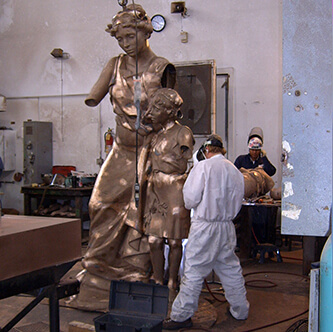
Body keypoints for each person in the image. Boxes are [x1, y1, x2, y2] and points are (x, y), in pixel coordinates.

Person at [74, 4, 176, 311]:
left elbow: (171, 112)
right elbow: (94, 96)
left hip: (149, 149)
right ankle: (98, 269)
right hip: (120, 149)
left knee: (141, 213)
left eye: (130, 35)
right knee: (99, 204)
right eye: (119, 38)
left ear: (145, 32)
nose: (124, 42)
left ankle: (134, 271)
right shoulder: (115, 64)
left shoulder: (162, 67)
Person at [163, 134, 250, 330]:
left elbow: (190, 200)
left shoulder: (202, 167)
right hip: (226, 227)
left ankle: (181, 316)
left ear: (206, 151)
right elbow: (238, 200)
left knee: (193, 271)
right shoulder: (234, 171)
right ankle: (241, 310)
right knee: (230, 269)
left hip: (205, 227)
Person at [140, 88, 194, 304]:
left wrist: (163, 168)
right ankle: (157, 280)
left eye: (157, 108)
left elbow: (182, 161)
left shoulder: (183, 133)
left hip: (174, 190)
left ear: (170, 111)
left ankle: (172, 282)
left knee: (174, 241)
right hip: (156, 191)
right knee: (153, 239)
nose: (152, 112)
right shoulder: (156, 135)